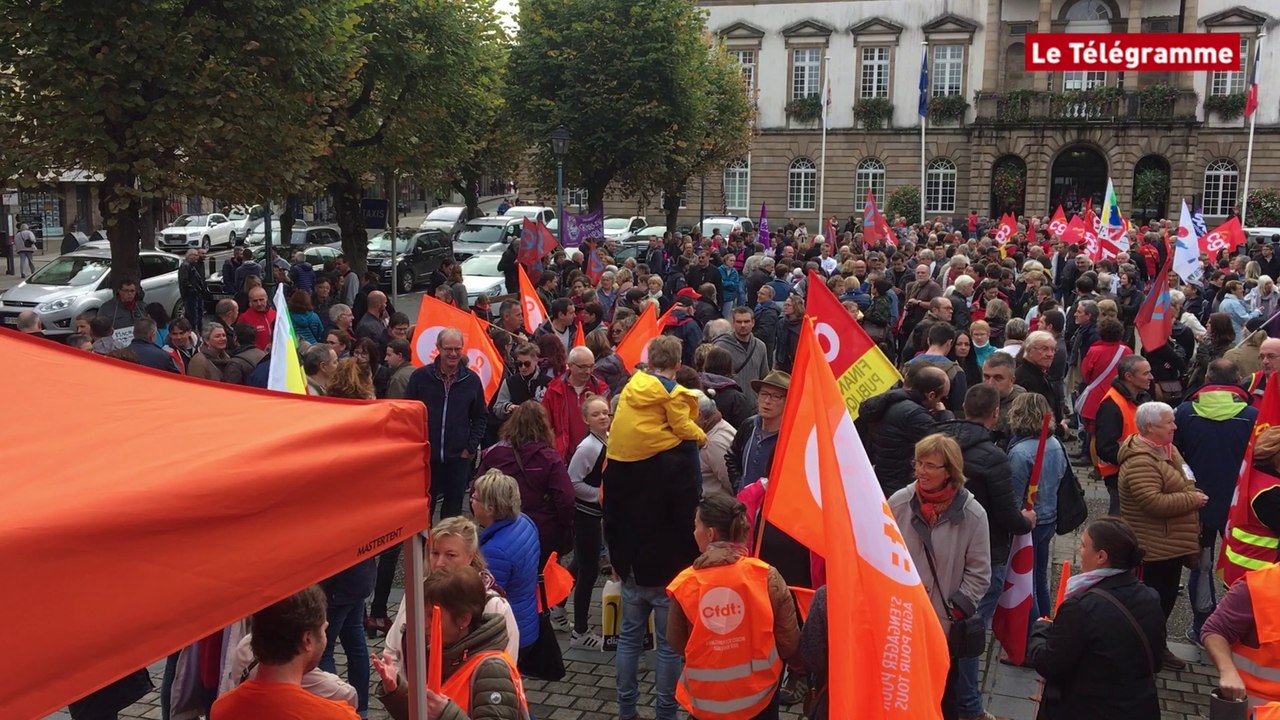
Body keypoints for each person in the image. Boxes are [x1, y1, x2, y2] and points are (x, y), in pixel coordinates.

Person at [603, 336, 704, 720]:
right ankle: (665, 714)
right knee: (668, 646)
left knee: (629, 638)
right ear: (678, 365)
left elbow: (610, 507)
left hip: (630, 559)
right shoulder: (681, 448)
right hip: (671, 563)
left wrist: (615, 555)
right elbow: (689, 510)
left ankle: (626, 711)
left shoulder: (621, 441)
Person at [939, 384, 1034, 717]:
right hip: (984, 555)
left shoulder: (938, 443)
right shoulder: (994, 457)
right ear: (995, 413)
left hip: (940, 551)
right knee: (971, 632)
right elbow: (1007, 515)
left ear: (964, 407)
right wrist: (1027, 522)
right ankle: (969, 706)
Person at [666, 494, 801, 720]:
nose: (694, 532)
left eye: (696, 526)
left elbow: (677, 643)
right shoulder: (766, 576)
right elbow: (789, 643)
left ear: (710, 534)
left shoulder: (685, 583)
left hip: (707, 702)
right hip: (760, 698)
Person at [888, 433, 990, 720]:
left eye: (930, 465)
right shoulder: (898, 503)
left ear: (950, 471)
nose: (921, 471)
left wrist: (954, 611)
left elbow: (980, 573)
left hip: (942, 628)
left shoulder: (973, 515)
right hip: (900, 624)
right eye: (918, 463)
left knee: (941, 701)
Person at [1025, 517, 1165, 720]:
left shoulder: (1081, 607)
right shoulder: (1150, 597)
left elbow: (1048, 663)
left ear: (1101, 556)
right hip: (1136, 708)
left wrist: (1040, 630)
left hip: (1085, 709)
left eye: (1083, 545)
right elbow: (1156, 660)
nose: (1078, 551)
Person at [1117, 401, 1207, 671]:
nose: (1175, 427)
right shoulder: (1140, 461)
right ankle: (1141, 653)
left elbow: (1186, 478)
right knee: (1151, 602)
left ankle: (1154, 646)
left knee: (1165, 600)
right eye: (1169, 422)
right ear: (1150, 427)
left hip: (1170, 544)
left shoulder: (1168, 449)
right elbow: (1152, 502)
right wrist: (1192, 499)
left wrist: (1188, 493)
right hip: (1152, 547)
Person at [372, 566, 528, 720]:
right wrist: (396, 691)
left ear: (463, 619)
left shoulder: (492, 669)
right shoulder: (449, 652)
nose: (424, 623)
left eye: (432, 615)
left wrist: (445, 714)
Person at [1174, 359, 1258, 643]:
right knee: (1243, 565)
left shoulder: (1185, 412)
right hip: (1240, 505)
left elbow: (1176, 457)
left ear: (1207, 378)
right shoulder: (1252, 416)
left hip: (1197, 502)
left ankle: (1203, 627)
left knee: (1202, 564)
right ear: (1238, 380)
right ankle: (1239, 627)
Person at [378, 517, 521, 664]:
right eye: (435, 553)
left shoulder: (493, 605)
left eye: (451, 555)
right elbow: (393, 648)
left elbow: (505, 666)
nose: (440, 563)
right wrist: (394, 674)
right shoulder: (417, 591)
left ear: (470, 557)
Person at [210, 586, 360, 720]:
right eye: (323, 630)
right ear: (307, 639)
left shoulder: (222, 709)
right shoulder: (338, 716)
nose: (325, 637)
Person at [476, 401, 575, 567]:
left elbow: (477, 491)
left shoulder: (494, 454)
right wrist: (564, 526)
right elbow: (566, 499)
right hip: (542, 531)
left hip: (501, 530)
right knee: (544, 577)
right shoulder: (549, 458)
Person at [406, 328, 488, 518]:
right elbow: (408, 413)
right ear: (438, 348)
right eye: (448, 349)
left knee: (452, 514)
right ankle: (425, 539)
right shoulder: (420, 377)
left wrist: (470, 447)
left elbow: (480, 416)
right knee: (422, 512)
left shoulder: (471, 380)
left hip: (457, 459)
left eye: (457, 349)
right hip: (426, 458)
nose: (453, 354)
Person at [470, 470, 542, 670]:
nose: (471, 499)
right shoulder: (524, 521)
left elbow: (487, 602)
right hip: (528, 621)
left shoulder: (494, 552)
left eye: (475, 497)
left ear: (490, 508)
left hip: (508, 632)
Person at [1005, 392, 1066, 619]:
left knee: (1025, 584)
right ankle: (1045, 622)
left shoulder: (1020, 452)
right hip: (1050, 518)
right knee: (1040, 577)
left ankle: (1032, 630)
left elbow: (1014, 495)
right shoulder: (1055, 444)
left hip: (1030, 522)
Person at [858, 364, 955, 497]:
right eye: (943, 398)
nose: (942, 402)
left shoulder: (889, 401)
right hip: (901, 484)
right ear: (931, 395)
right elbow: (944, 441)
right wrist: (944, 414)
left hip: (881, 478)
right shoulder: (914, 414)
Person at [567, 394, 611, 650]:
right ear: (586, 420)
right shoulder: (588, 448)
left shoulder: (607, 439)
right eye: (596, 414)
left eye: (605, 412)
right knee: (588, 570)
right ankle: (580, 632)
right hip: (586, 514)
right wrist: (600, 496)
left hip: (596, 514)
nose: (602, 417)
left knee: (579, 562)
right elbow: (572, 482)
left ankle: (557, 607)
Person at [1094, 355, 1154, 515]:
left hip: (1136, 471)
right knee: (1120, 521)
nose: (1151, 377)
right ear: (1129, 376)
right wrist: (1136, 458)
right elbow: (1105, 448)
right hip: (1120, 477)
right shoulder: (1111, 405)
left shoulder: (1141, 398)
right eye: (1146, 373)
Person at [543, 345, 608, 459]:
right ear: (570, 366)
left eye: (591, 366)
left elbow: (610, 422)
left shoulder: (601, 389)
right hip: (564, 456)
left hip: (596, 455)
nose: (588, 371)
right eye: (583, 367)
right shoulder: (554, 390)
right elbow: (545, 424)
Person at [711, 306, 771, 406]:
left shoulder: (760, 346)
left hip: (753, 405)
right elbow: (713, 378)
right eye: (739, 322)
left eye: (746, 321)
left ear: (753, 323)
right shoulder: (721, 346)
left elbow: (763, 377)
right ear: (733, 323)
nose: (743, 325)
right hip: (730, 405)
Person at [693, 390, 737, 499]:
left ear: (699, 415)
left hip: (717, 505)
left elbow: (732, 483)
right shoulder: (716, 426)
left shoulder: (714, 443)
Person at [240, 286, 277, 350]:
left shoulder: (275, 314)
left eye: (261, 300)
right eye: (255, 301)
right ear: (250, 301)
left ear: (266, 298)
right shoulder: (244, 318)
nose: (259, 304)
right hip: (256, 354)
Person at [178, 249, 207, 330]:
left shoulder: (192, 266)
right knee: (192, 315)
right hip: (190, 296)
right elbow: (184, 281)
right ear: (191, 256)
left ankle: (198, 329)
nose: (198, 257)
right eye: (196, 255)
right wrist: (194, 290)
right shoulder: (185, 266)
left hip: (196, 295)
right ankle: (193, 330)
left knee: (198, 313)